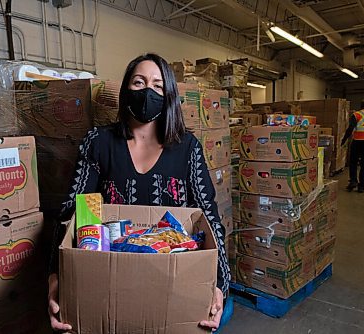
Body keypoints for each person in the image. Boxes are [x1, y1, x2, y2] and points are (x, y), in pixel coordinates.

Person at [47, 53, 230, 332]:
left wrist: (218, 285)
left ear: (168, 94)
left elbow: (209, 216)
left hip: (173, 282)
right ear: (125, 90)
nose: (148, 92)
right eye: (138, 82)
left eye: (157, 86)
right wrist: (56, 278)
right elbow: (72, 211)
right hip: (109, 281)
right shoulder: (99, 142)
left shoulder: (187, 147)